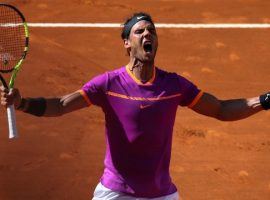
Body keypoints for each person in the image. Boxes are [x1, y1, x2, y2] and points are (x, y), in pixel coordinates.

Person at [1, 12, 270, 200]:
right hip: (115, 193)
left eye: (151, 30)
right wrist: (22, 103)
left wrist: (264, 100)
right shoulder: (108, 84)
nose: (147, 34)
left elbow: (221, 109)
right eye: (139, 31)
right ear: (127, 44)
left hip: (161, 194)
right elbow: (60, 105)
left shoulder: (174, 85)